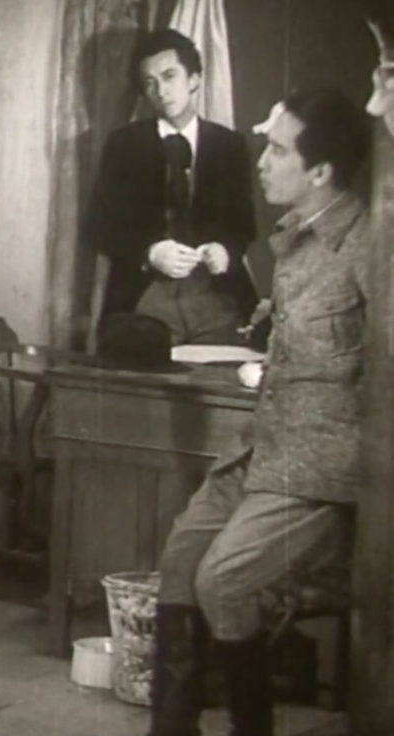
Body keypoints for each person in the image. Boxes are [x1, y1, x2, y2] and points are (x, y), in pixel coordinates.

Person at [145, 88, 371, 736]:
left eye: (276, 150)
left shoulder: (368, 250)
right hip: (262, 447)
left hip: (320, 468)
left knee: (224, 580)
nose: (262, 162)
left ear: (319, 171)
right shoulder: (294, 239)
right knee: (180, 560)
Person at [84, 29, 257, 346]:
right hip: (145, 298)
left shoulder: (229, 145)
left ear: (193, 79)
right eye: (150, 83)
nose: (161, 91)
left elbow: (243, 226)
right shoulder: (124, 144)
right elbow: (99, 226)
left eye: (169, 76)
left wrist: (225, 250)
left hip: (216, 298)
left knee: (231, 365)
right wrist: (150, 252)